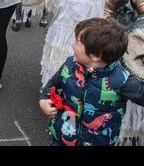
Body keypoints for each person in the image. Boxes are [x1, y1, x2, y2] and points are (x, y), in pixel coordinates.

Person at [39, 18, 144, 146]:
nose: (72, 45)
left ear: (95, 55)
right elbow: (52, 85)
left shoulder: (122, 81)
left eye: (77, 42)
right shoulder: (69, 65)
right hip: (62, 137)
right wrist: (44, 99)